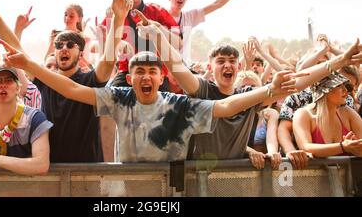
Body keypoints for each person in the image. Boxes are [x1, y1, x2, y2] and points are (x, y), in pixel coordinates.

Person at [0, 39, 299, 162]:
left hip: (172, 195)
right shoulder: (120, 98)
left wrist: (270, 91)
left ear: (161, 77)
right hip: (128, 192)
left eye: (152, 72)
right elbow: (72, 90)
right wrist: (31, 65)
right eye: (139, 72)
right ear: (129, 79)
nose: (145, 77)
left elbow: (226, 106)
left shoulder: (178, 104)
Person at [132, 13, 362, 165]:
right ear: (211, 68)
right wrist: (157, 35)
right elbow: (178, 66)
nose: (227, 65)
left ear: (239, 66)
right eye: (220, 61)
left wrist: (340, 61)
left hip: (237, 179)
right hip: (199, 178)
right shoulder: (202, 90)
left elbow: (297, 81)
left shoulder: (247, 96)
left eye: (232, 61)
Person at [0, 0, 132, 163]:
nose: (63, 48)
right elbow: (13, 44)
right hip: (50, 169)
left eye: (70, 45)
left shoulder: (91, 80)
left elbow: (109, 59)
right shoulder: (44, 78)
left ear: (81, 54)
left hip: (87, 172)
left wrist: (119, 18)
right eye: (59, 45)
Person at [102, 0, 182, 91]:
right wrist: (118, 43)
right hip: (126, 71)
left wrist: (157, 28)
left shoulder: (158, 11)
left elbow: (178, 43)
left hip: (155, 70)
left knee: (164, 107)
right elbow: (103, 42)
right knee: (111, 101)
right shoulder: (114, 13)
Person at [167, 0, 250, 60]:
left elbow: (217, 4)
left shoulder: (190, 16)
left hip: (182, 66)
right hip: (163, 65)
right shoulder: (159, 14)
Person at [293, 72, 362, 157]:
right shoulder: (303, 114)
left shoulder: (348, 113)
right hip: (317, 170)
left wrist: (358, 149)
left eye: (345, 85)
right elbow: (305, 147)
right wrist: (343, 147)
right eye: (338, 86)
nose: (345, 90)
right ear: (325, 91)